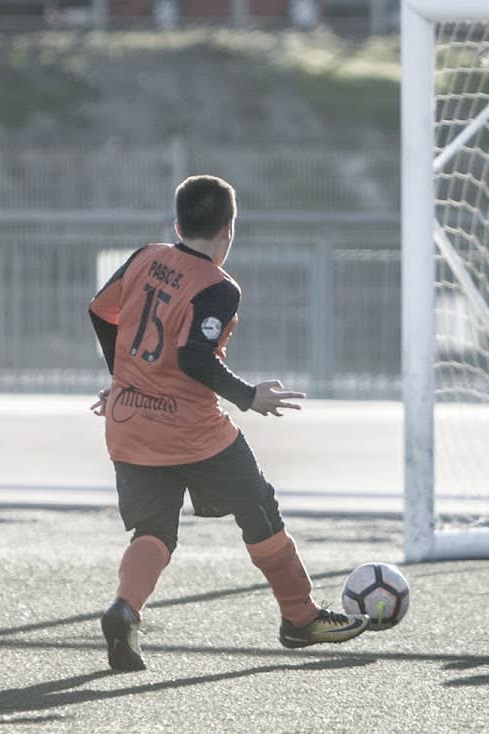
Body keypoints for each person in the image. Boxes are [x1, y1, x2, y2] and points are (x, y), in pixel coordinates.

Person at [87, 174, 369, 671]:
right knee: (258, 506)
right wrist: (249, 396)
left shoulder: (144, 256)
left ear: (177, 225)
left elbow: (100, 311)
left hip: (129, 421)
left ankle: (125, 610)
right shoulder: (217, 287)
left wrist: (124, 377)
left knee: (154, 530)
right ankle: (299, 618)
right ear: (228, 230)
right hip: (192, 431)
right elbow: (194, 357)